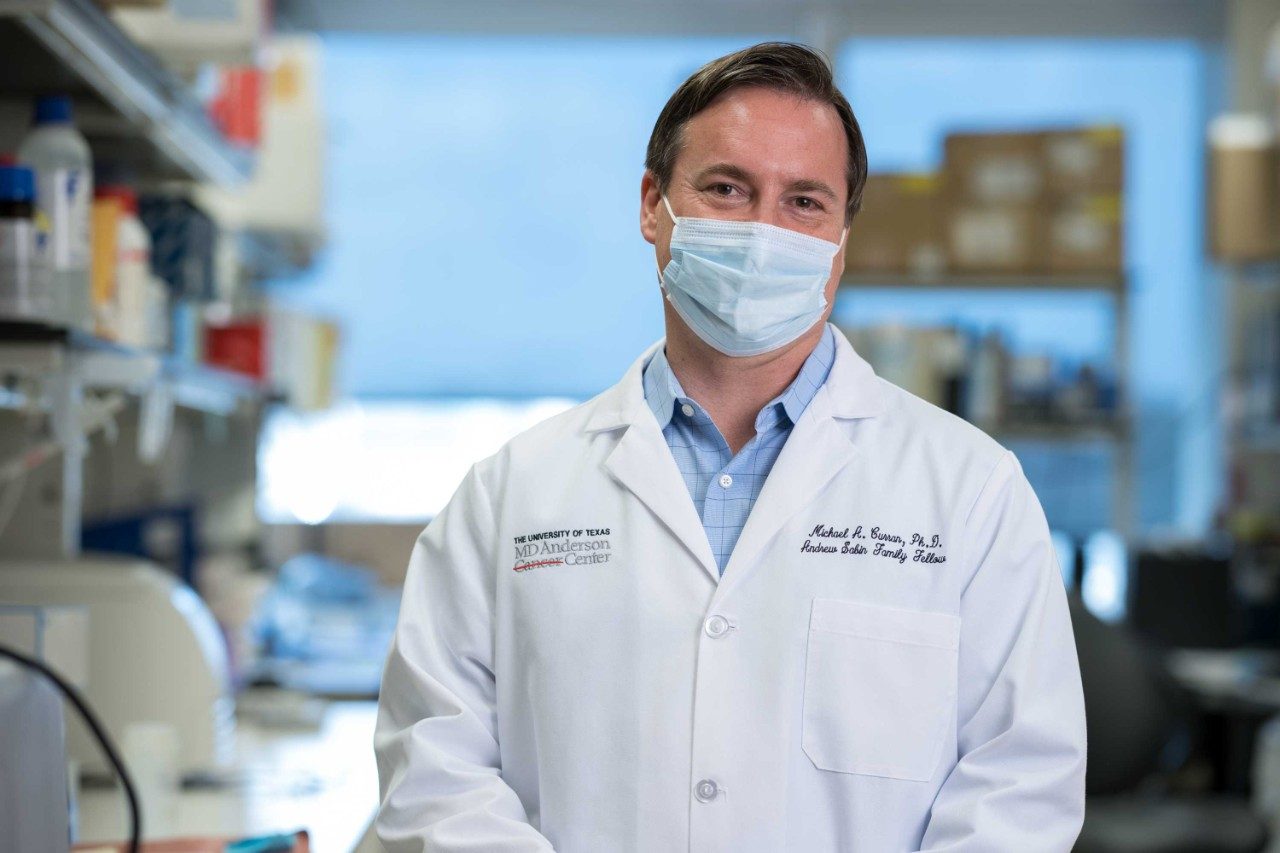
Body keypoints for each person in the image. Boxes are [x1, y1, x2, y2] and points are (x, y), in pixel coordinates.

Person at [374, 41, 1086, 852]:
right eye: (726, 189)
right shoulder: (512, 494)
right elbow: (434, 767)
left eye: (805, 202)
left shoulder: (970, 492)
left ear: (841, 237)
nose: (763, 232)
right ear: (652, 205)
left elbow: (1019, 791)